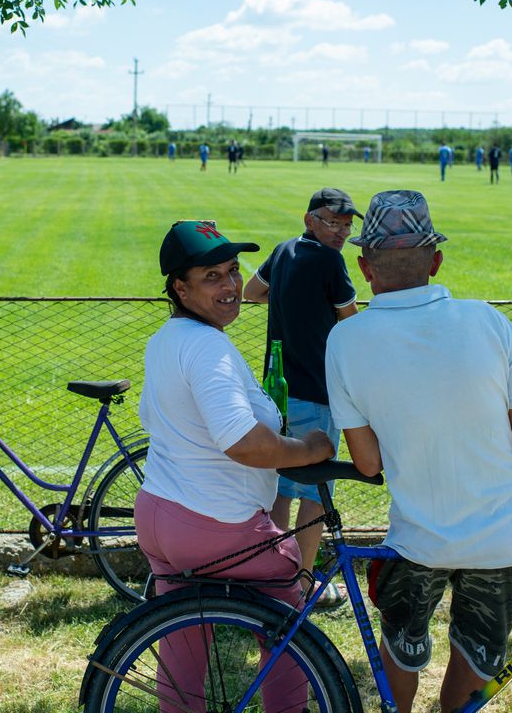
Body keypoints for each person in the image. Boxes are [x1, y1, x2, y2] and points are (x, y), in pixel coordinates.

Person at [325, 190, 512, 713]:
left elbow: (367, 462)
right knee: (478, 649)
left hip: (418, 536)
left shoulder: (346, 340)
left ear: (364, 267)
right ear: (436, 260)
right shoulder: (489, 321)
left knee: (402, 644)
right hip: (501, 533)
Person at [136, 220, 336, 712]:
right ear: (180, 288)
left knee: (183, 645)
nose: (230, 286)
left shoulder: (169, 337)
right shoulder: (208, 348)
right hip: (216, 524)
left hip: (160, 514)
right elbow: (244, 443)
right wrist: (310, 448)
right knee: (290, 621)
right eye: (211, 277)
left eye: (232, 271)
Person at [243, 189, 361, 610]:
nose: (342, 232)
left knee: (280, 488)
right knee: (315, 493)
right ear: (309, 219)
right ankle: (303, 583)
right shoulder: (331, 261)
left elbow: (251, 293)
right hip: (319, 392)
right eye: (333, 222)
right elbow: (351, 323)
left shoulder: (283, 251)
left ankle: (270, 578)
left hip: (277, 393)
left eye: (347, 225)